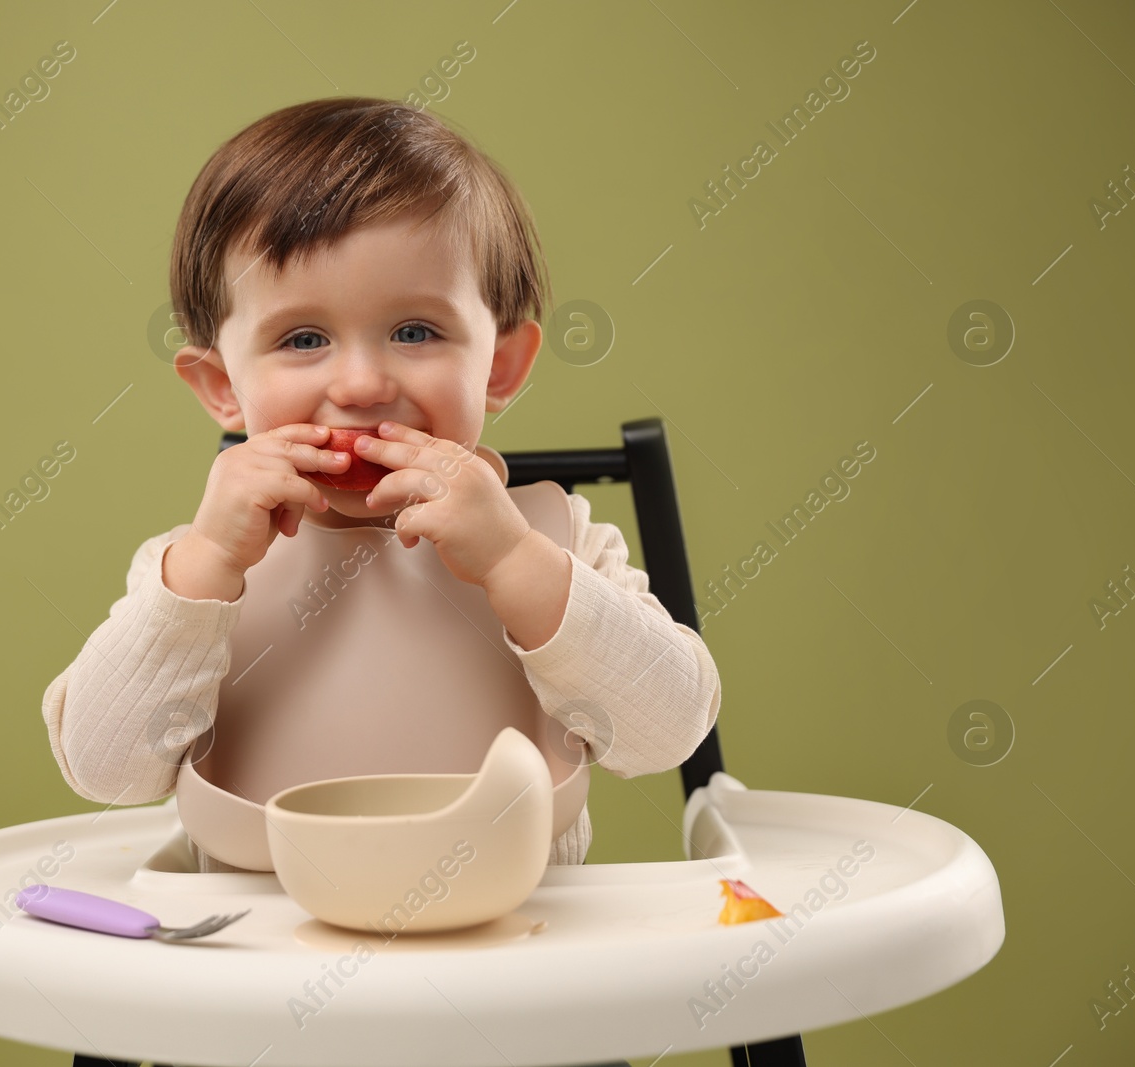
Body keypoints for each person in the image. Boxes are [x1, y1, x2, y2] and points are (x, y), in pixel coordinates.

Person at [41, 96, 720, 877]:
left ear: (499, 365)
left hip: (511, 956)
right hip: (260, 966)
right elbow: (105, 769)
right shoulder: (193, 567)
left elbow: (669, 732)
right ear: (221, 385)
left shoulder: (558, 539)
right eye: (303, 339)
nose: (362, 383)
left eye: (415, 331)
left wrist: (514, 562)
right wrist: (201, 572)